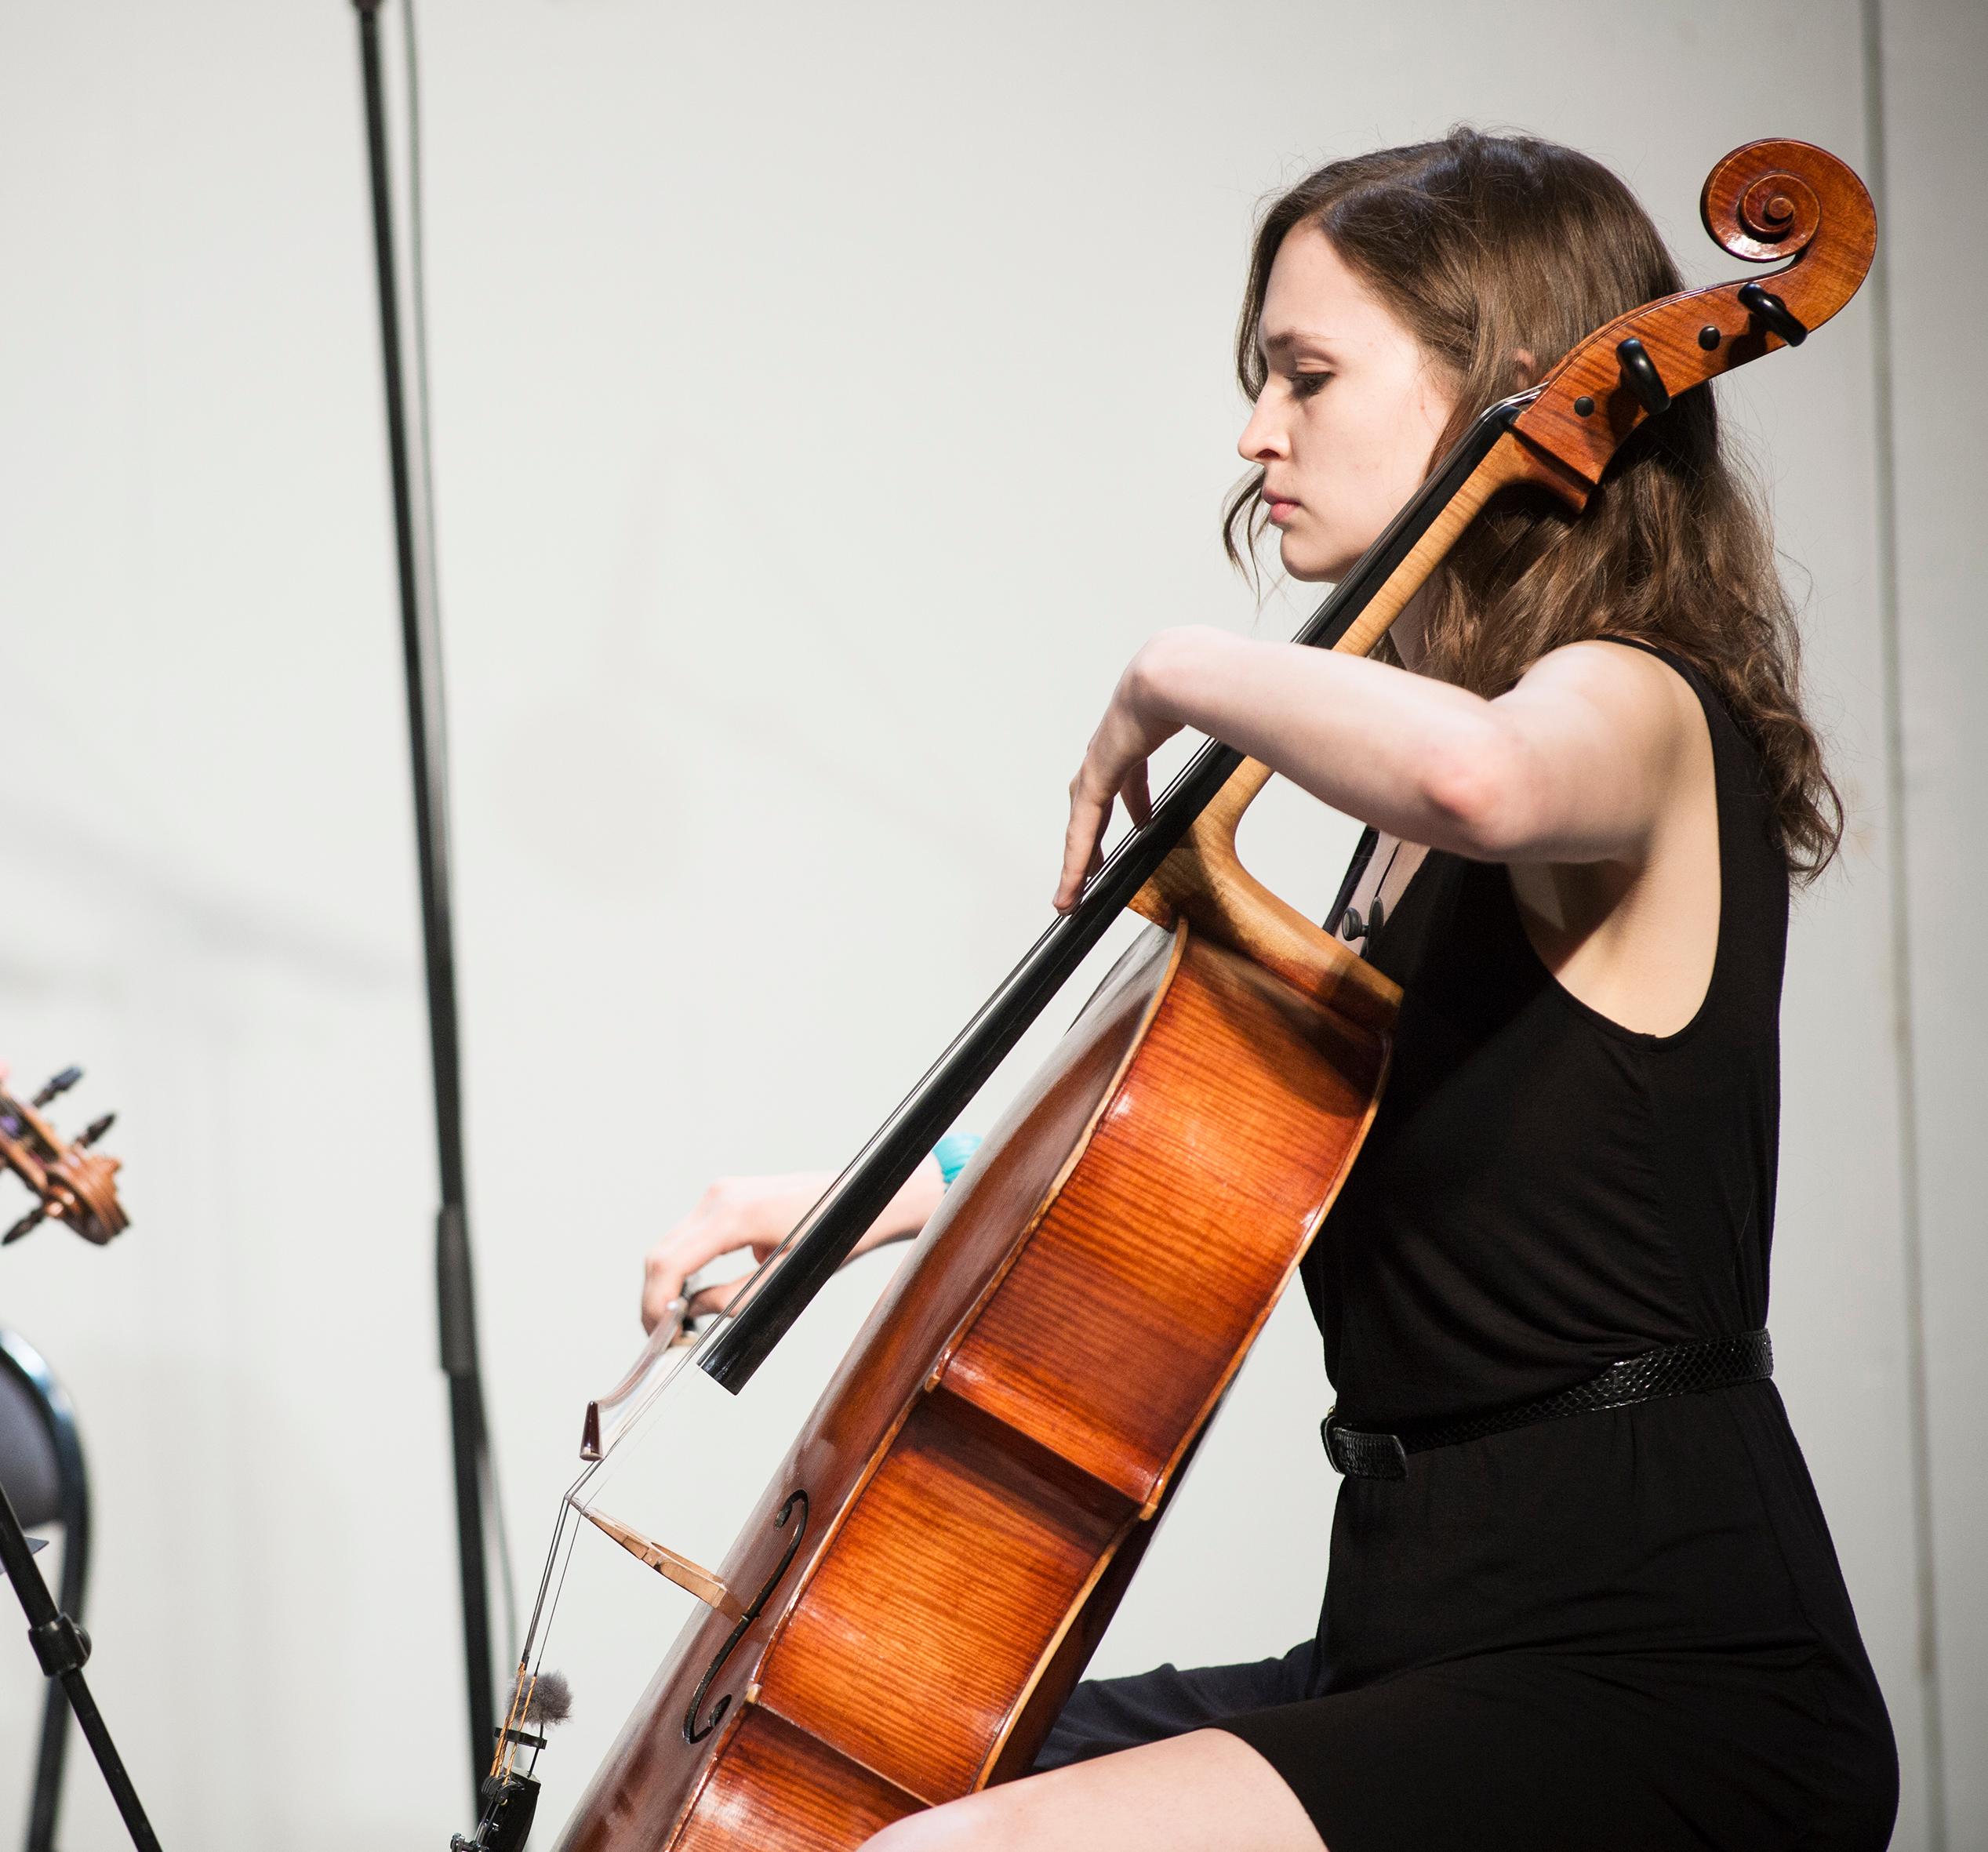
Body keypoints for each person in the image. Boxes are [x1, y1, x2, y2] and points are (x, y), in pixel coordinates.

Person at [641, 131, 1896, 1850]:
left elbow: (1482, 777)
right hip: (1415, 1638)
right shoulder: (1393, 856)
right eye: (1258, 382)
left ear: (1515, 388)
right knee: (867, 1779)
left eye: (1305, 376)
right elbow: (1212, 1143)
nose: (1254, 433)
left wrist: (1180, 668)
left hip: (1650, 1674)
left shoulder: (1630, 710)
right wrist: (864, 1201)